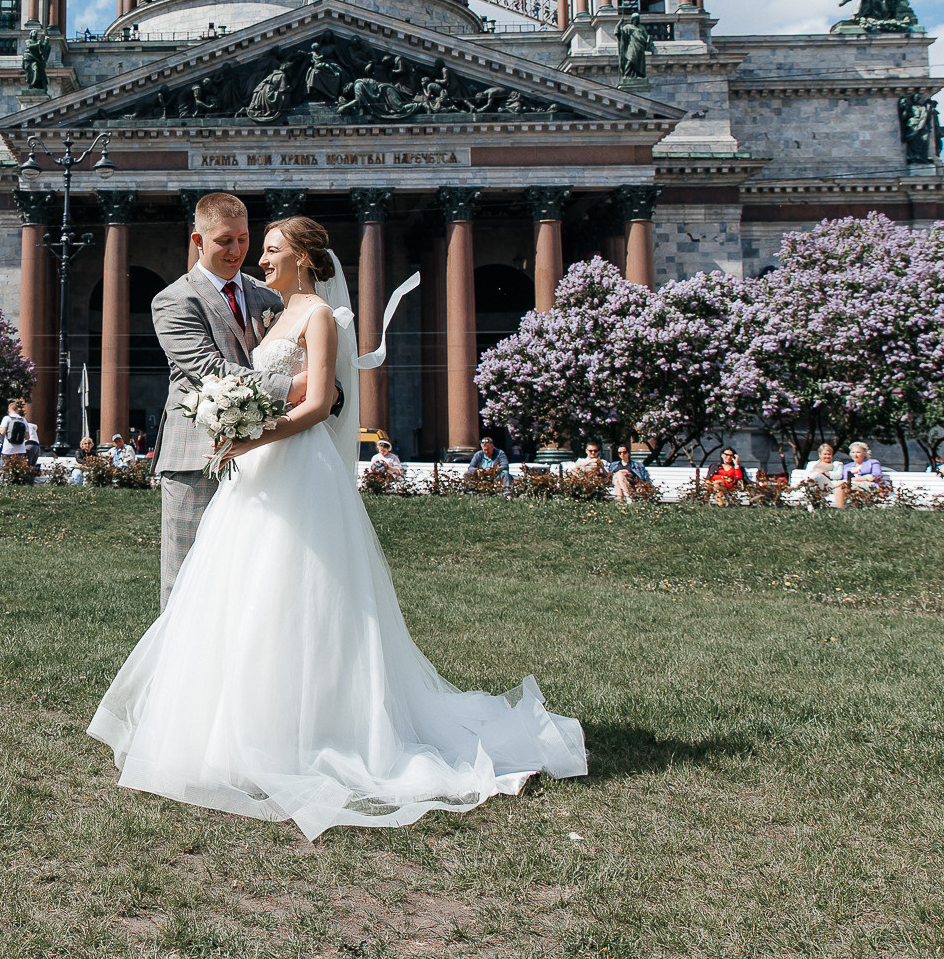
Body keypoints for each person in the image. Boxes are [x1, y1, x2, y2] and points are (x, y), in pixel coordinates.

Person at [91, 213, 586, 841]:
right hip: (253, 468)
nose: (254, 259)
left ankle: (310, 728)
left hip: (289, 466)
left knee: (301, 596)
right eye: (244, 245)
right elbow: (229, 377)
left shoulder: (314, 315)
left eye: (266, 249)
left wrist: (254, 433)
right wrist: (250, 423)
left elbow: (322, 401)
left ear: (301, 257)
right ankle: (229, 726)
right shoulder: (267, 312)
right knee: (236, 598)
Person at [149, 193, 298, 607]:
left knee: (251, 578)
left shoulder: (268, 295)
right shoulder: (174, 300)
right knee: (186, 578)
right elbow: (211, 370)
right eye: (224, 241)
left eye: (244, 239)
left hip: (263, 453)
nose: (237, 251)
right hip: (195, 456)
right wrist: (298, 388)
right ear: (198, 240)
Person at [833, 442, 888, 507]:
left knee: (845, 485)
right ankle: (841, 510)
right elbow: (845, 479)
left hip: (869, 485)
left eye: (858, 452)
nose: (855, 455)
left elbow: (876, 475)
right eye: (853, 452)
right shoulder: (847, 466)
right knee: (842, 487)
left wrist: (857, 479)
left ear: (865, 453)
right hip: (851, 485)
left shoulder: (873, 462)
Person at [0, 398, 34, 463]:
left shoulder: (7, 418)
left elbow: (3, 432)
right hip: (21, 450)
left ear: (9, 410)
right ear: (17, 411)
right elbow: (27, 437)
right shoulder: (24, 420)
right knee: (19, 470)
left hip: (8, 449)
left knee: (5, 469)